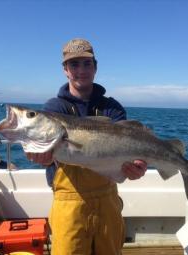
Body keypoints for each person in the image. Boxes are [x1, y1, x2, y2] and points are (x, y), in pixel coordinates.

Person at [26, 38, 147, 255]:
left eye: (86, 63)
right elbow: (40, 144)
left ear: (95, 67)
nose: (81, 70)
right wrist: (41, 155)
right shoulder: (54, 109)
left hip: (107, 200)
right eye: (74, 64)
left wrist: (135, 169)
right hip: (68, 205)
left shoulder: (112, 108)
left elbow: (127, 153)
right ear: (65, 69)